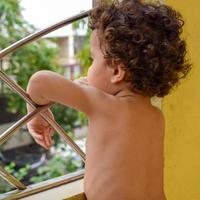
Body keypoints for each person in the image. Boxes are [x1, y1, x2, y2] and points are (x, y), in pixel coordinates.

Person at [26, 0, 191, 199]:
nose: (89, 68)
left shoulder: (104, 106)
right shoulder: (156, 116)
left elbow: (39, 82)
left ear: (116, 71)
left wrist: (35, 115)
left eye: (92, 59)